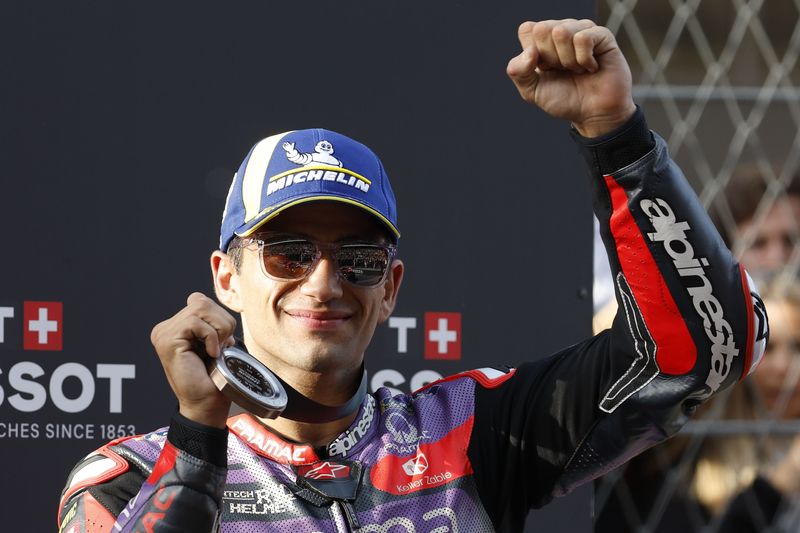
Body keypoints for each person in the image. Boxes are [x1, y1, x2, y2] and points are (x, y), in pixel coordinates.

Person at [57, 19, 766, 532]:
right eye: (289, 252)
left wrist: (618, 137)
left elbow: (702, 352)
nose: (324, 281)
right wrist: (198, 443)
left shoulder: (472, 432)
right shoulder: (125, 479)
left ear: (391, 287)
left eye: (359, 258)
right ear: (227, 276)